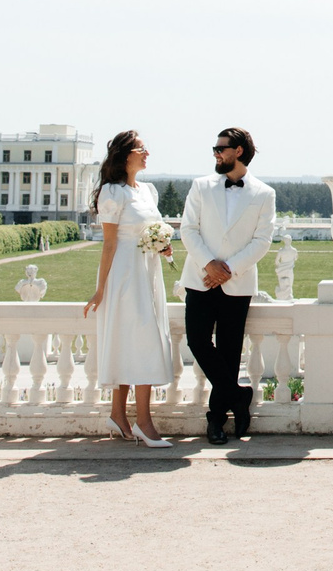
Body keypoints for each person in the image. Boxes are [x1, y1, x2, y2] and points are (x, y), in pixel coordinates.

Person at [178, 127, 277, 444]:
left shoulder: (263, 193)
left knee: (230, 352)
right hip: (200, 278)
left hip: (238, 283)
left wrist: (228, 269)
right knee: (197, 341)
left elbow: (262, 241)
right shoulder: (200, 186)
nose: (216, 154)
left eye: (220, 148)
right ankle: (238, 395)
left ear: (238, 151)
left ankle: (216, 421)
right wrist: (209, 264)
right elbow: (188, 230)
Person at [82, 130, 175, 445]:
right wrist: (100, 289)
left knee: (134, 340)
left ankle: (118, 415)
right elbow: (109, 244)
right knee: (139, 340)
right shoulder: (112, 193)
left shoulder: (148, 190)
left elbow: (151, 228)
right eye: (141, 148)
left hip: (147, 272)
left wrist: (162, 246)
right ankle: (143, 422)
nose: (147, 152)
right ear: (125, 155)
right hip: (124, 274)